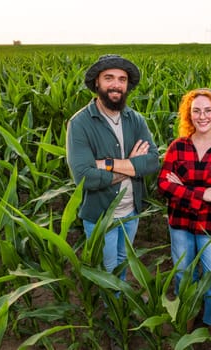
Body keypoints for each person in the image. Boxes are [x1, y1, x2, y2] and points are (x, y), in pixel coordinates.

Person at [66, 54, 159, 281]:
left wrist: (107, 165)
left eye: (122, 79)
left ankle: (121, 299)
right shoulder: (79, 124)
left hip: (131, 211)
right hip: (100, 215)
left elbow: (153, 161)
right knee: (107, 270)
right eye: (109, 78)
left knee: (123, 260)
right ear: (97, 82)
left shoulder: (136, 120)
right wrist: (132, 164)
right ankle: (113, 312)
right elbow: (85, 178)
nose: (116, 84)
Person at [157, 88, 211, 331]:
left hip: (210, 226)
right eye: (196, 111)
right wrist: (203, 193)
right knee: (184, 275)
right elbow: (163, 184)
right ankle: (187, 318)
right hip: (180, 225)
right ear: (189, 115)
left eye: (208, 111)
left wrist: (181, 188)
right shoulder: (178, 147)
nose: (202, 116)